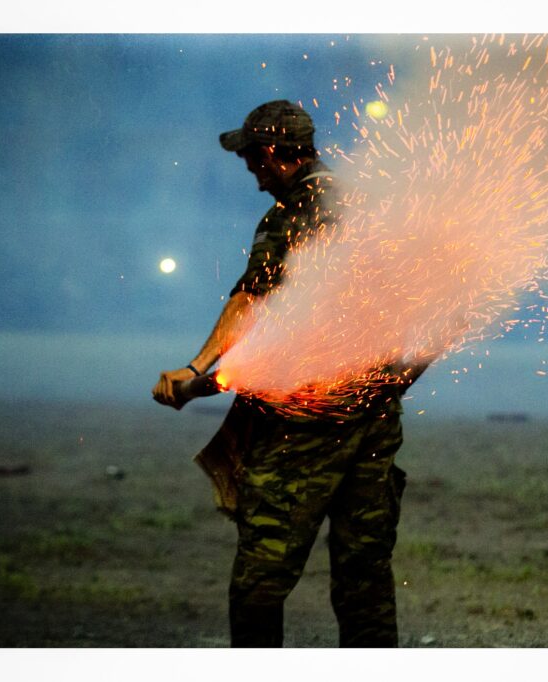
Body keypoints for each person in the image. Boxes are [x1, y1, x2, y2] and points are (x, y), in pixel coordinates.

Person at [152, 100, 421, 647]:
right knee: (364, 578)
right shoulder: (371, 204)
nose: (252, 175)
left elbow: (252, 301)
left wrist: (196, 368)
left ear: (274, 153)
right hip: (376, 416)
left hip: (307, 423)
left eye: (253, 160)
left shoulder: (293, 213)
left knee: (260, 578)